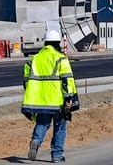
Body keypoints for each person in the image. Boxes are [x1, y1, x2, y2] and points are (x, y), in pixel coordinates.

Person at [21, 29, 79, 163]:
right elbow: (67, 79)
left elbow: (26, 81)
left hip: (40, 101)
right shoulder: (60, 58)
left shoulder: (34, 59)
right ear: (58, 43)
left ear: (45, 42)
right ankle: (56, 156)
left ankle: (36, 140)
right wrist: (69, 97)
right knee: (60, 127)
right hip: (57, 101)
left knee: (42, 123)